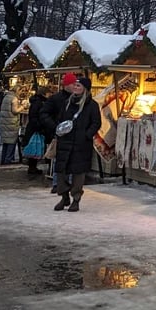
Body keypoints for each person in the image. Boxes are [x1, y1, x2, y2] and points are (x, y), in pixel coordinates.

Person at [52, 75, 100, 212]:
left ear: (85, 89)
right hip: (65, 142)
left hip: (81, 145)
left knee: (78, 174)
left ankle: (76, 199)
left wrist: (86, 135)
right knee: (61, 171)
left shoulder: (92, 105)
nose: (75, 87)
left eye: (78, 86)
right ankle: (64, 196)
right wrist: (59, 130)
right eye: (75, 85)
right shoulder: (67, 103)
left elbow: (96, 123)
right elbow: (60, 118)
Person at [23, 84, 55, 178]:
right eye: (49, 93)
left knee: (35, 148)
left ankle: (32, 167)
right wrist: (40, 127)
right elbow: (34, 117)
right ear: (45, 94)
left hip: (35, 128)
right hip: (36, 129)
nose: (50, 95)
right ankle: (32, 168)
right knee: (35, 148)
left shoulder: (37, 102)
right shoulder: (39, 103)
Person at [0, 90, 19, 164]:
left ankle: (3, 160)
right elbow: (15, 111)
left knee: (6, 143)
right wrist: (23, 107)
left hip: (5, 124)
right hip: (11, 124)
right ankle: (8, 160)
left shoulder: (6, 97)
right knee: (11, 142)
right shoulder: (14, 98)